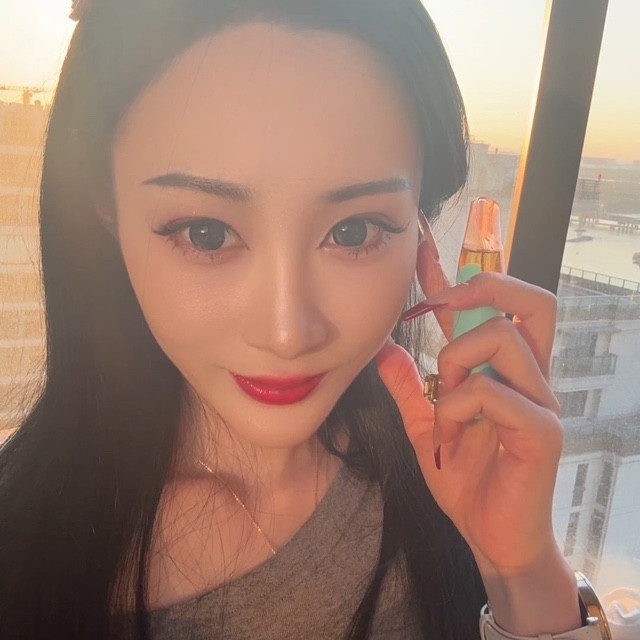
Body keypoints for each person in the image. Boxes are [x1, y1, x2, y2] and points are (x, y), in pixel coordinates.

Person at [0, 1, 609, 638]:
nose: (287, 333)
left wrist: (520, 568)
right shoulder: (21, 551)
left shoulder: (444, 476)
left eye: (354, 231)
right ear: (105, 207)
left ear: (419, 232)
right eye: (207, 234)